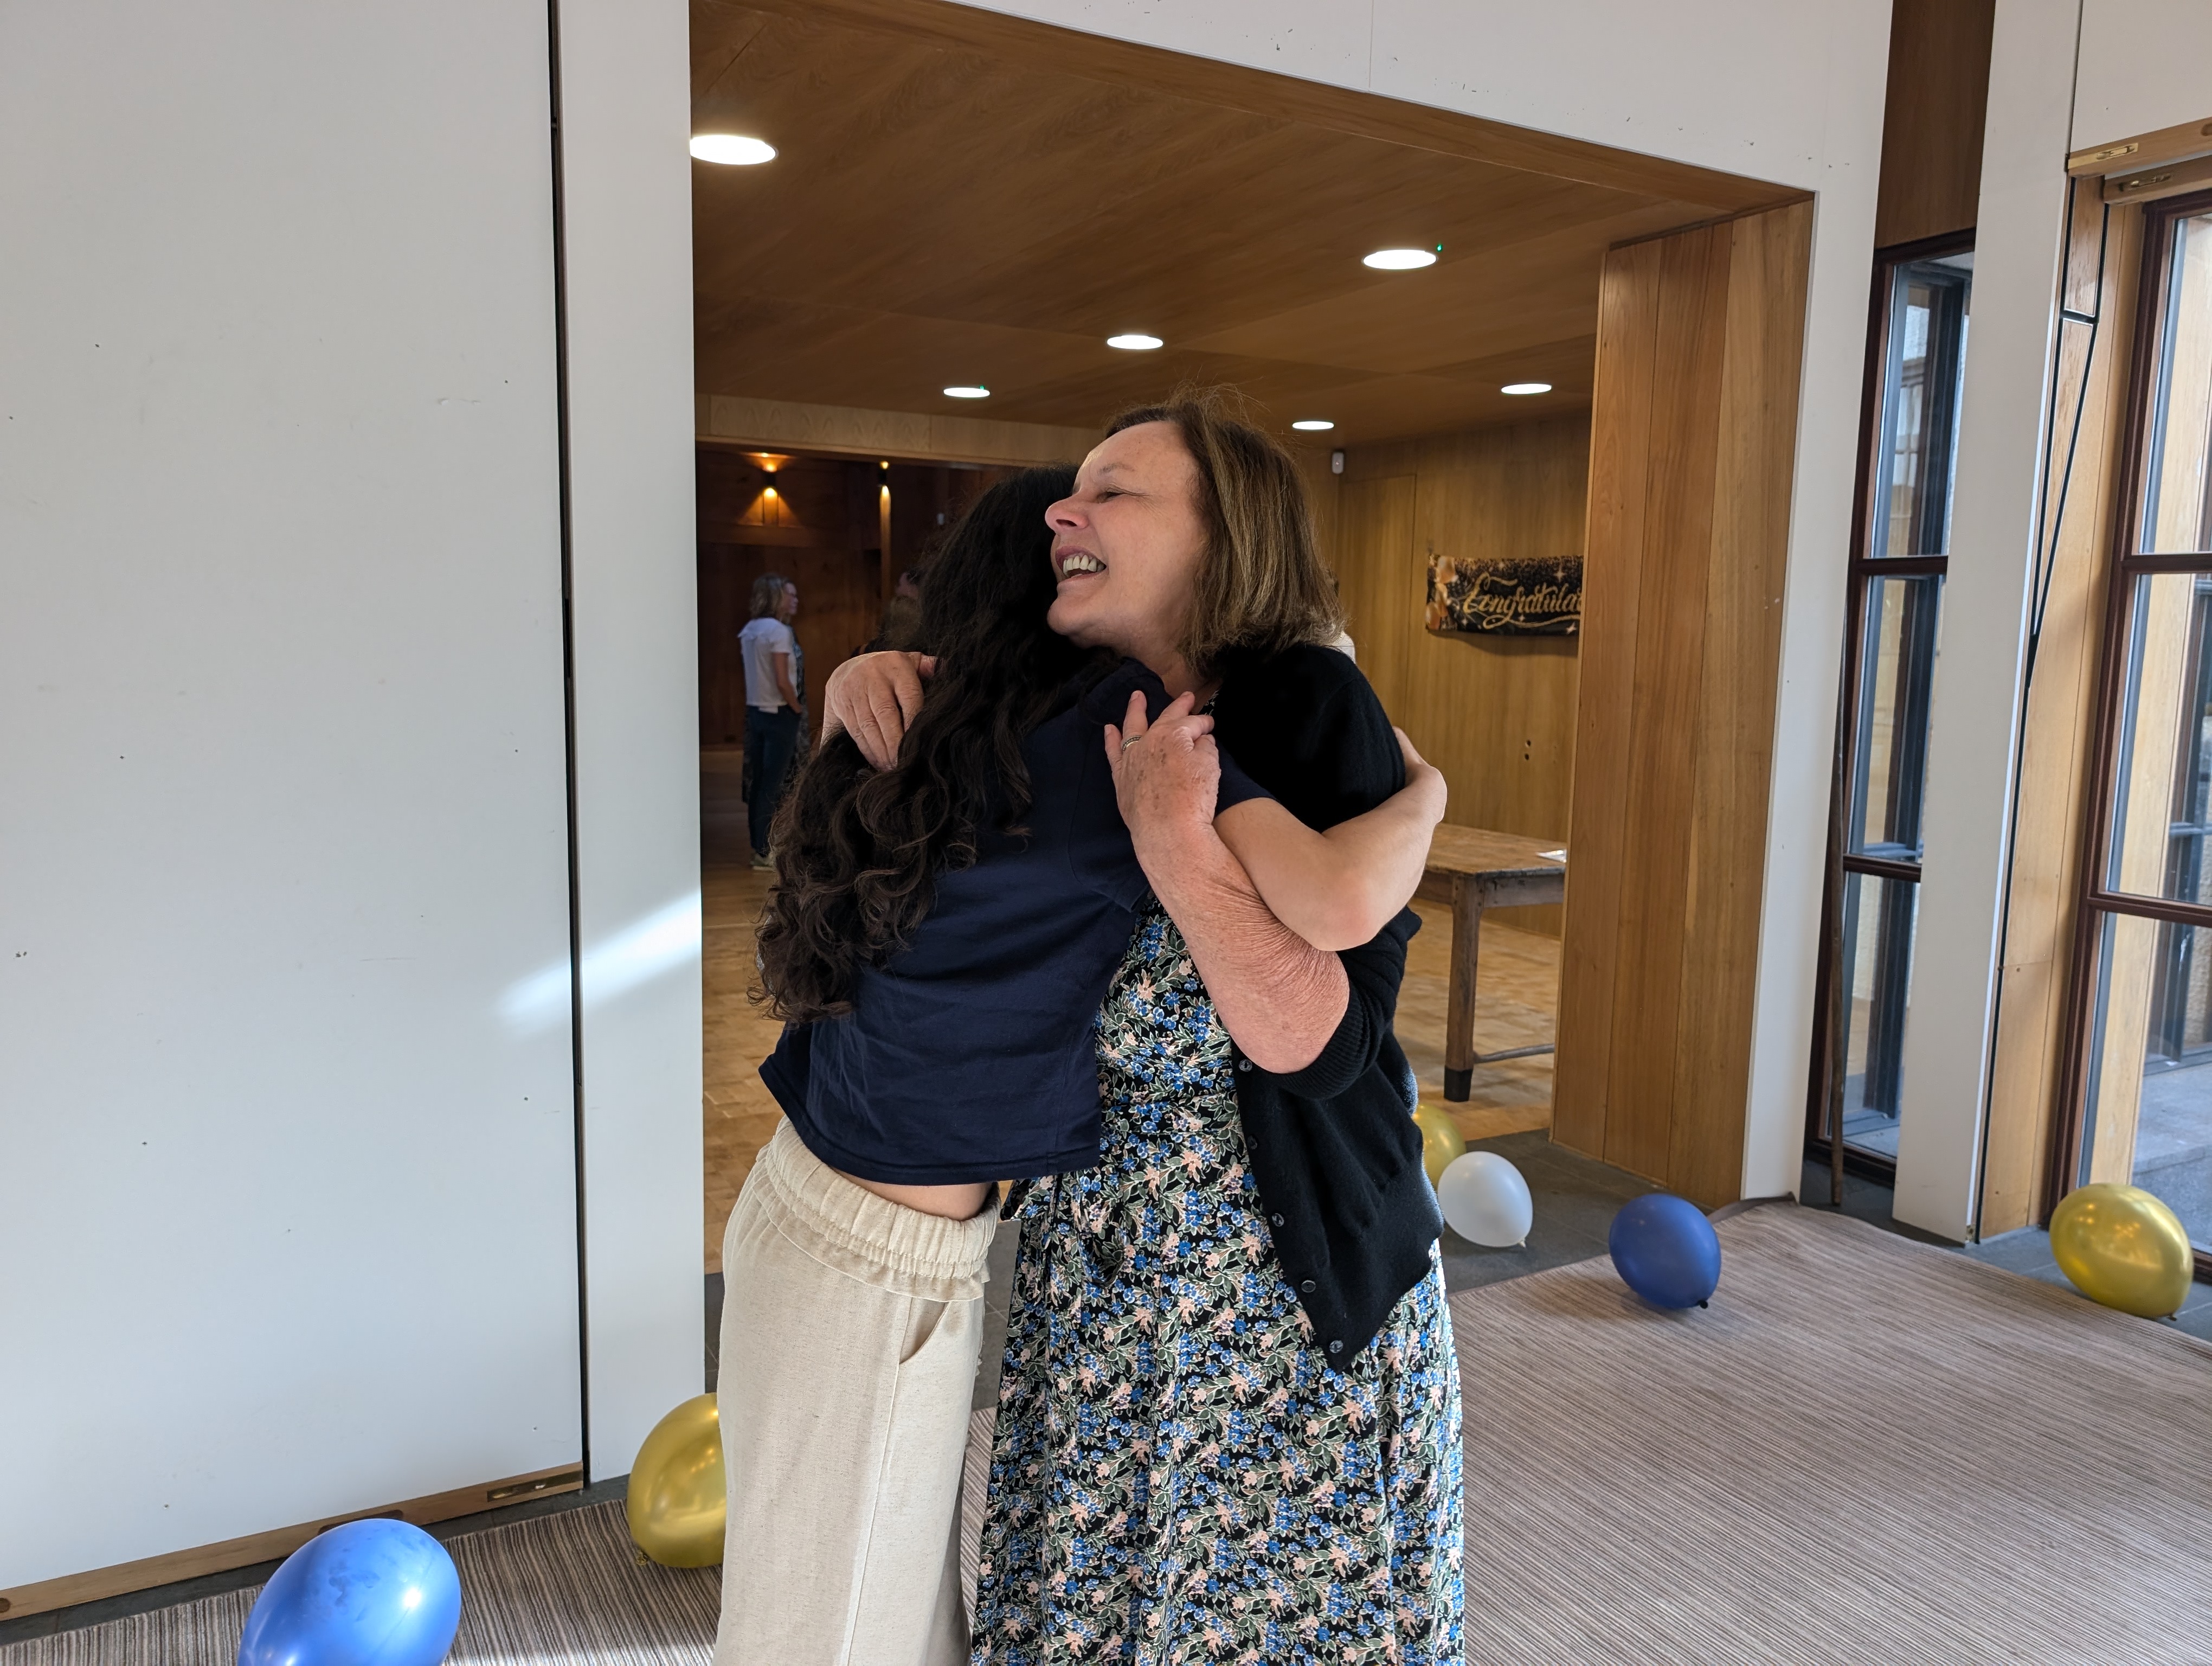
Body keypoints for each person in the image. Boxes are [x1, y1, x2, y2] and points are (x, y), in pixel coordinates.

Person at [712, 465, 1445, 1666]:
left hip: (828, 1219)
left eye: (1117, 495)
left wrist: (860, 668)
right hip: (877, 1263)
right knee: (837, 1636)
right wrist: (1430, 797)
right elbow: (1344, 886)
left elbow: (1318, 992)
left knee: (873, 1628)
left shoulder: (994, 728)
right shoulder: (1106, 736)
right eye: (1069, 512)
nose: (1076, 520)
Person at [739, 573, 803, 869]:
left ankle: (757, 846)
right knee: (774, 783)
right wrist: (797, 707)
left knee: (759, 783)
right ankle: (766, 850)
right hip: (779, 714)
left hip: (755, 713)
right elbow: (782, 679)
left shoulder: (751, 629)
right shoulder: (779, 631)